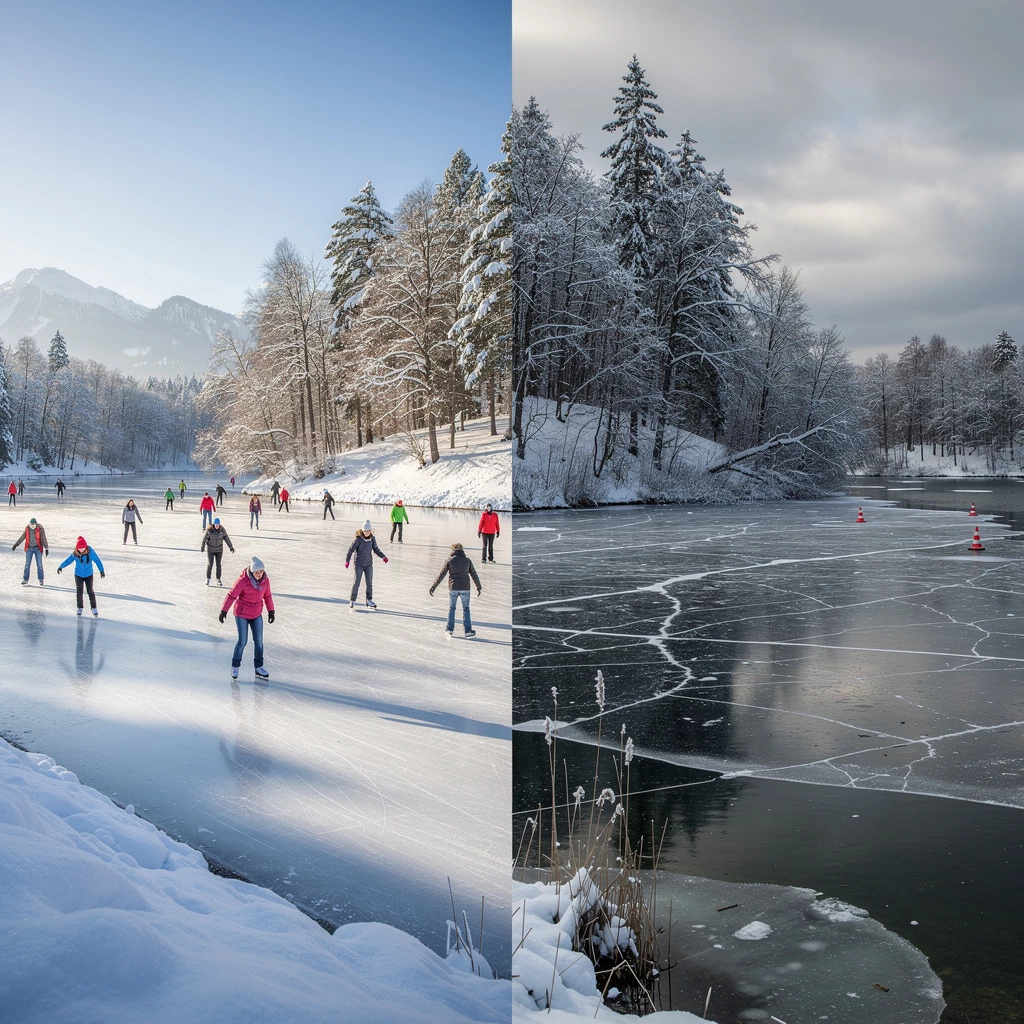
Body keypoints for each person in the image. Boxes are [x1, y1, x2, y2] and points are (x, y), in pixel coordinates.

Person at [219, 556, 275, 681]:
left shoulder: (265, 580)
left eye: (261, 572)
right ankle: (235, 665)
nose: (259, 574)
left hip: (256, 614)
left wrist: (271, 611)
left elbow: (268, 596)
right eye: (256, 572)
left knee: (259, 641)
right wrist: (224, 610)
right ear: (251, 571)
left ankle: (259, 667)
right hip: (242, 614)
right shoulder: (242, 581)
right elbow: (232, 595)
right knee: (242, 641)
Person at [429, 542, 482, 638]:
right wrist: (478, 587)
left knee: (452, 608)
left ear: (453, 550)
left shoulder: (449, 560)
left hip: (453, 587)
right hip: (465, 587)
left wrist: (434, 586)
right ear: (462, 550)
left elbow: (441, 575)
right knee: (466, 608)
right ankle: (468, 631)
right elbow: (474, 574)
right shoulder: (467, 560)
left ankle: (449, 629)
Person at [57, 536, 105, 617]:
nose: (81, 549)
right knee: (79, 591)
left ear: (85, 546)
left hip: (89, 574)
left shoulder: (90, 552)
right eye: (79, 548)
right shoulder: (75, 553)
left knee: (90, 591)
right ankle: (80, 607)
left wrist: (101, 570)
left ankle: (94, 607)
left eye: (82, 548)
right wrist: (61, 566)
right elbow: (69, 560)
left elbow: (97, 560)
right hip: (78, 574)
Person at [345, 521, 387, 609]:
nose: (367, 532)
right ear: (363, 531)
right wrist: (347, 561)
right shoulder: (358, 539)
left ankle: (369, 600)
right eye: (365, 531)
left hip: (368, 564)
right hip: (359, 564)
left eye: (368, 530)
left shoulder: (372, 539)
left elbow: (376, 549)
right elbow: (350, 550)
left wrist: (383, 557)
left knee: (369, 583)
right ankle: (352, 600)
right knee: (356, 582)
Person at [12, 517, 48, 586]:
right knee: (27, 565)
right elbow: (22, 537)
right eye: (31, 524)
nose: (32, 526)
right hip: (29, 549)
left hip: (38, 549)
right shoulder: (27, 529)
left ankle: (41, 579)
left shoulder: (40, 528)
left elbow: (43, 538)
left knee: (39, 565)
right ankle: (25, 579)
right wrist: (16, 544)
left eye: (33, 524)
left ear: (36, 524)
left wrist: (46, 548)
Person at [201, 518, 235, 585]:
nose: (217, 526)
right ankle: (208, 578)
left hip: (219, 550)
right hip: (210, 550)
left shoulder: (222, 530)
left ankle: (218, 579)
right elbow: (204, 539)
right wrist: (203, 546)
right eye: (216, 524)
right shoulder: (209, 530)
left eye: (218, 524)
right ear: (214, 524)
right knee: (210, 564)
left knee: (218, 564)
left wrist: (231, 547)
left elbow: (226, 538)